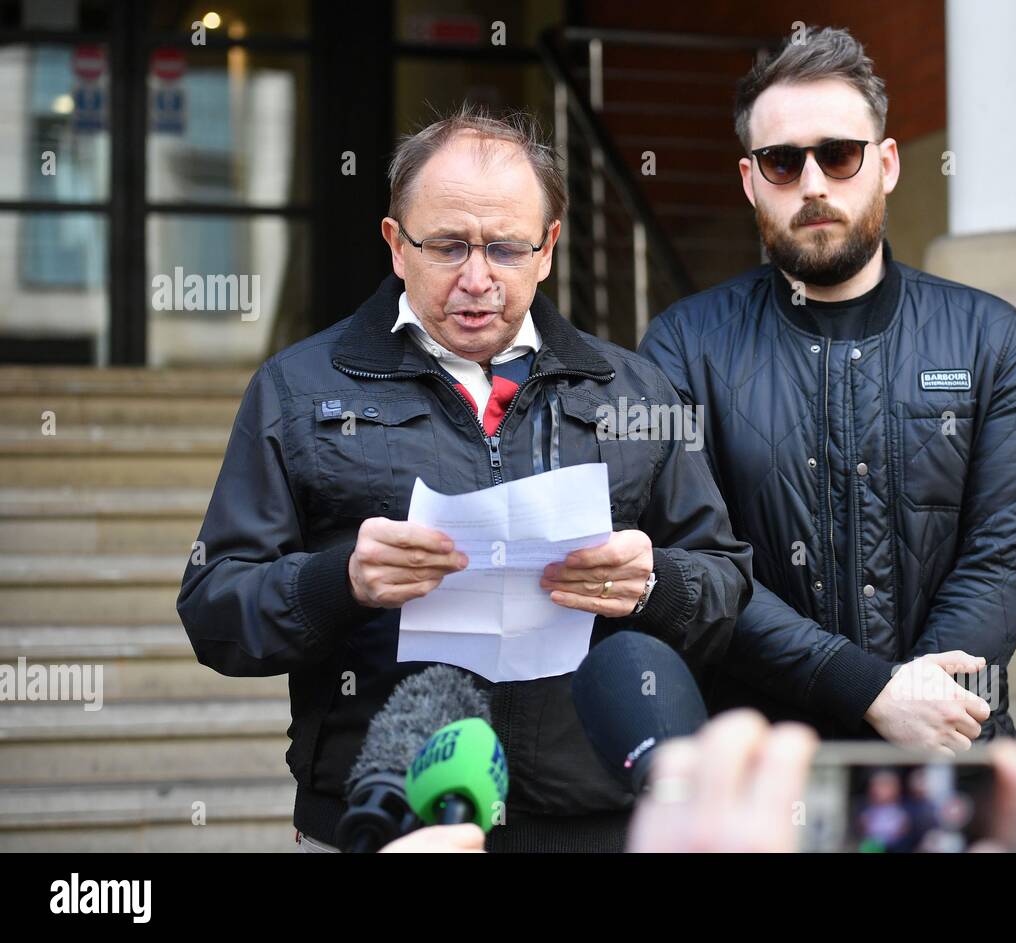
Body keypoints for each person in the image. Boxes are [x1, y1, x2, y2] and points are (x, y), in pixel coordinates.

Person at [176, 105, 752, 853]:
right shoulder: (296, 389)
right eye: (448, 246)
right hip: (382, 822)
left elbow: (724, 582)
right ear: (396, 245)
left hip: (591, 824)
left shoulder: (634, 392)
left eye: (505, 249)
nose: (476, 279)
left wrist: (655, 583)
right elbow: (214, 607)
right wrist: (338, 581)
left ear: (548, 248)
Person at [639, 26, 1016, 753]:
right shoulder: (684, 346)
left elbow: (1002, 553)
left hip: (951, 742)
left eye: (838, 154)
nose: (813, 184)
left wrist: (920, 702)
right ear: (749, 181)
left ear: (887, 164)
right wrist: (868, 690)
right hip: (762, 761)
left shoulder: (991, 338)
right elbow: (697, 562)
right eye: (781, 161)